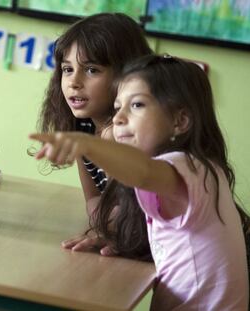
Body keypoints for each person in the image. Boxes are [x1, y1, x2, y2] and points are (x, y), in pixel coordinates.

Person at [30, 54, 249, 310]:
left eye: (136, 105)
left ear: (180, 121)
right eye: (117, 108)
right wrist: (121, 241)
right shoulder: (200, 168)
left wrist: (88, 143)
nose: (119, 118)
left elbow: (142, 171)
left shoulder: (189, 168)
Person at [35, 13, 153, 260]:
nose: (74, 82)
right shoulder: (83, 129)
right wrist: (108, 224)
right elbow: (95, 203)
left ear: (127, 75)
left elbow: (133, 216)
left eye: (91, 70)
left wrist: (110, 225)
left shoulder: (130, 135)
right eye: (67, 69)